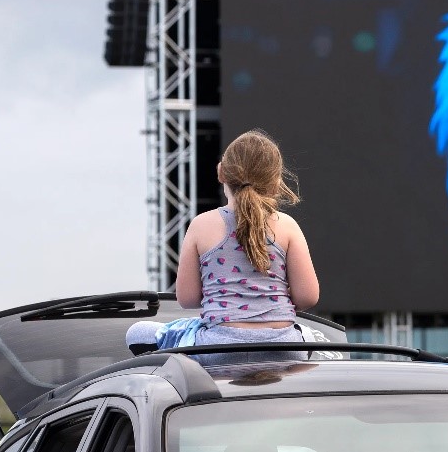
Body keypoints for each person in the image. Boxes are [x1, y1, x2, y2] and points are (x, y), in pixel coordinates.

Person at [127, 129, 319, 362]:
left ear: (221, 173)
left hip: (217, 347)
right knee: (322, 341)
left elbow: (187, 299)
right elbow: (308, 297)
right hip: (283, 346)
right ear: (277, 181)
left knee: (137, 333)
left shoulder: (201, 225)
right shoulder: (287, 225)